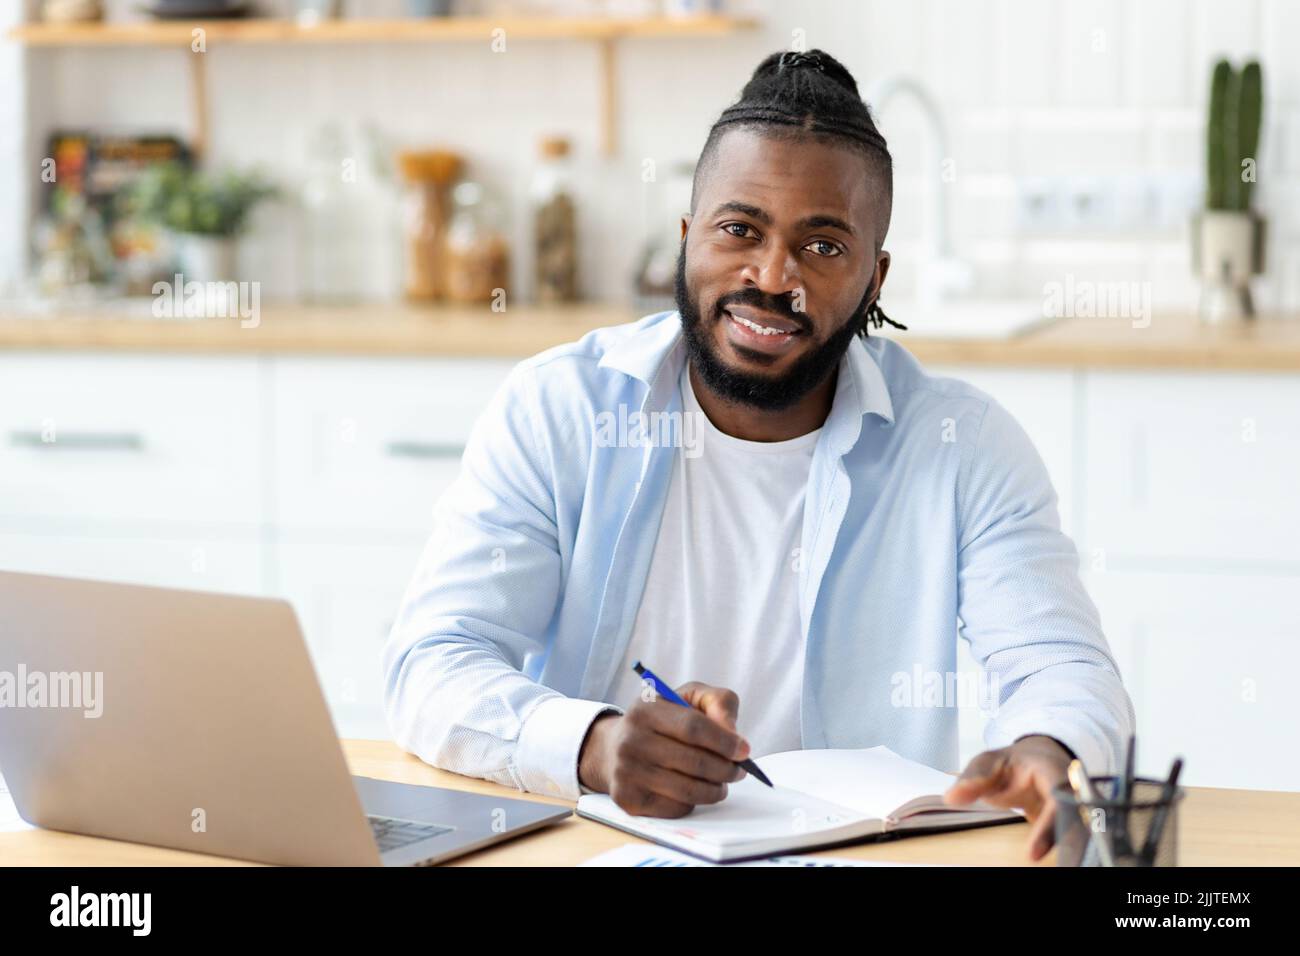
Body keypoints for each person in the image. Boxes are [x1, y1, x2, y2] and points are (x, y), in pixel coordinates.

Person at [382, 48, 1135, 861]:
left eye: (823, 246)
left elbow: (1063, 668)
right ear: (685, 239)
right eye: (739, 229)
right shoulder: (560, 409)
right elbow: (431, 663)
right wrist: (593, 745)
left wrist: (1047, 746)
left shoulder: (964, 445)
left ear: (875, 281)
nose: (773, 277)